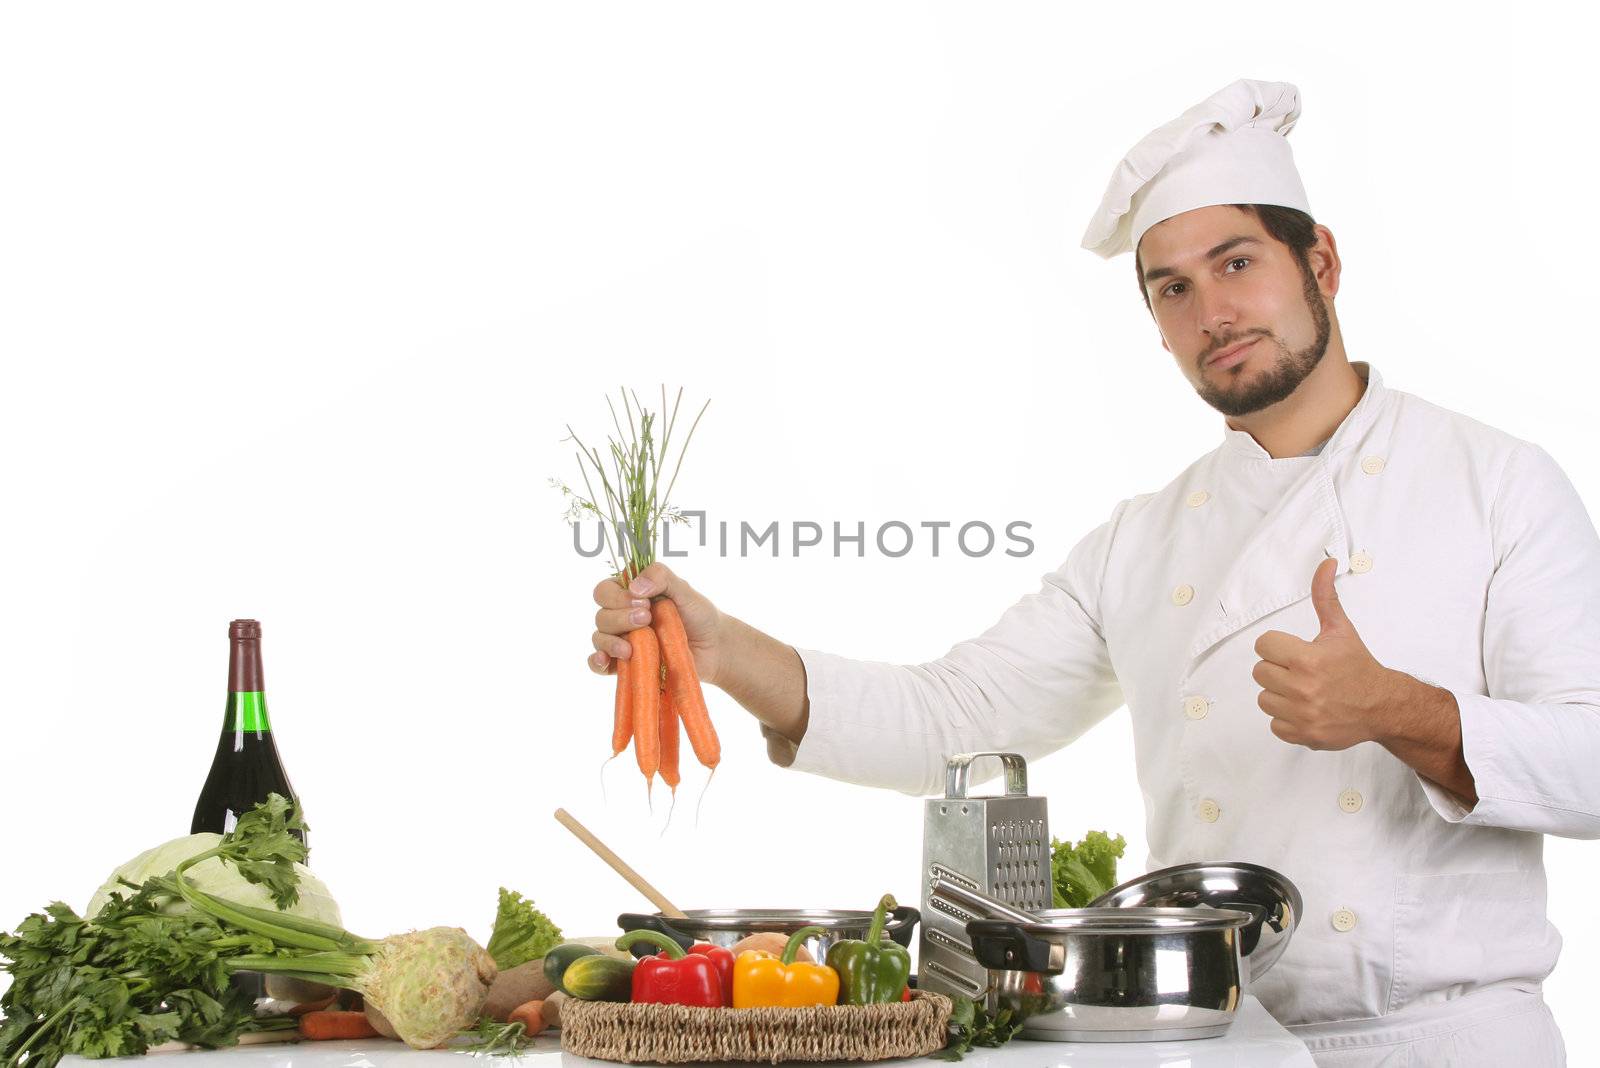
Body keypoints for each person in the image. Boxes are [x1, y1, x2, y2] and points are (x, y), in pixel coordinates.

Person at [586, 79, 1597, 1066]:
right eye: (1173, 287)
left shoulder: (1496, 485)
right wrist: (718, 651)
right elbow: (955, 714)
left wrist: (1399, 710)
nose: (1213, 311)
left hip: (1448, 1043)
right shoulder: (1144, 539)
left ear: (1320, 262)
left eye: (1238, 261)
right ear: (1155, 324)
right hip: (1215, 1042)